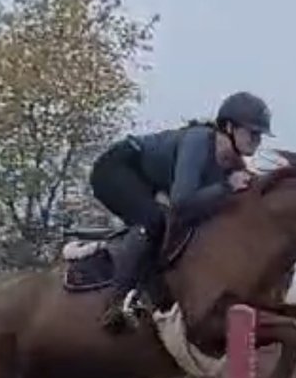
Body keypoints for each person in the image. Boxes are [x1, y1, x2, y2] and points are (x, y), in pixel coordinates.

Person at [87, 91, 273, 332]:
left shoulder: (233, 163)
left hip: (145, 181)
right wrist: (226, 186)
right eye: (253, 133)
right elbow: (182, 204)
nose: (257, 140)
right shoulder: (198, 141)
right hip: (115, 168)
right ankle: (116, 302)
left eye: (260, 135)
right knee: (154, 220)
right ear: (229, 127)